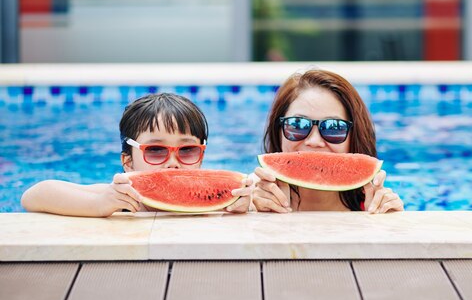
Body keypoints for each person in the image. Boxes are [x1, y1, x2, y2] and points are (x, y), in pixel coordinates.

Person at [21, 93, 252, 217]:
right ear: (128, 161)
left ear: (201, 155)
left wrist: (240, 205)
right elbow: (35, 195)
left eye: (187, 150)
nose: (172, 163)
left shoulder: (218, 200)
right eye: (156, 150)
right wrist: (99, 204)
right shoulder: (124, 200)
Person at [251, 69, 404, 213]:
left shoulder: (374, 206)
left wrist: (388, 226)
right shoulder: (250, 196)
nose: (314, 141)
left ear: (354, 136)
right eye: (298, 124)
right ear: (278, 131)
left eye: (334, 127)